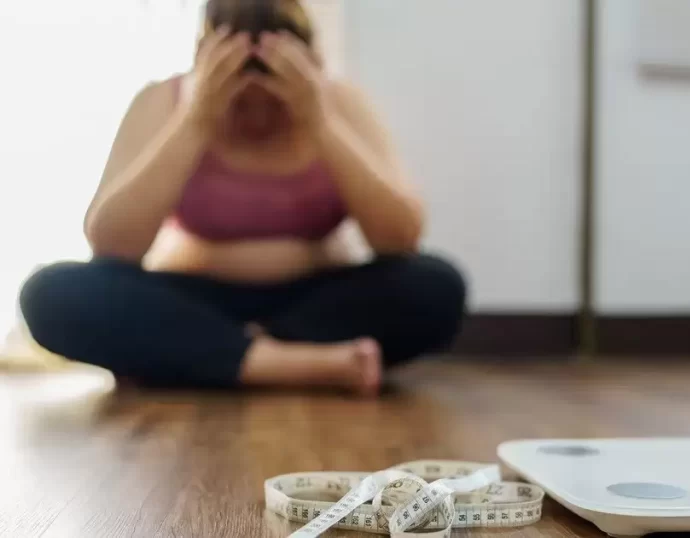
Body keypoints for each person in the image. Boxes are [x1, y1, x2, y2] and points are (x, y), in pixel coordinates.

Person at [17, 0, 467, 396]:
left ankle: (209, 357)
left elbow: (400, 238)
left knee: (436, 285)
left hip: (313, 305)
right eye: (240, 103)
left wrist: (319, 121)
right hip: (193, 302)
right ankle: (293, 364)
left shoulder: (340, 103)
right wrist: (196, 119)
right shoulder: (162, 102)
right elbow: (111, 244)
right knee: (50, 293)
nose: (256, 120)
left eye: (272, 102)